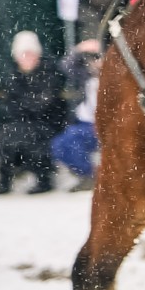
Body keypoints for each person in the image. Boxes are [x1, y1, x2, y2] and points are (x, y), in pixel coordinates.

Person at [0, 30, 68, 194]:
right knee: (5, 136)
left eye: (30, 53)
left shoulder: (50, 73)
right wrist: (26, 108)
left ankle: (43, 179)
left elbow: (44, 104)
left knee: (32, 138)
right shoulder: (13, 77)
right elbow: (10, 106)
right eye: (23, 54)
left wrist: (26, 107)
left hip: (47, 123)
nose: (27, 58)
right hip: (22, 123)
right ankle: (4, 180)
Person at [51, 38, 102, 190]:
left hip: (104, 126)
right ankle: (90, 175)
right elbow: (65, 65)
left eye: (99, 57)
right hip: (85, 124)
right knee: (59, 145)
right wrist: (79, 49)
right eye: (93, 58)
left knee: (71, 140)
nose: (96, 62)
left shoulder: (116, 78)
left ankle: (94, 177)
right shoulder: (85, 76)